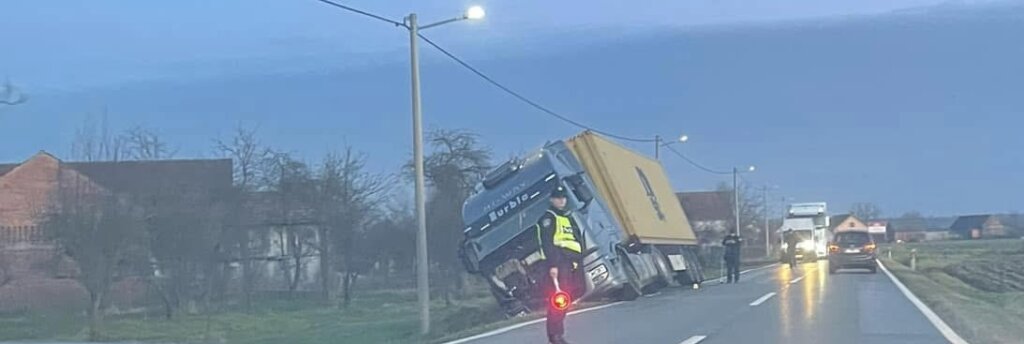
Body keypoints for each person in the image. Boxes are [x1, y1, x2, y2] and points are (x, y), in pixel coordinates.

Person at [536, 185, 584, 344]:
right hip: (559, 262)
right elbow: (548, 243)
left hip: (571, 261)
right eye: (558, 197)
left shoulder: (566, 217)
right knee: (558, 300)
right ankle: (555, 335)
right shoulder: (548, 218)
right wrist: (553, 265)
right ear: (551, 200)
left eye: (563, 197)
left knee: (568, 297)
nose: (561, 200)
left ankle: (558, 334)